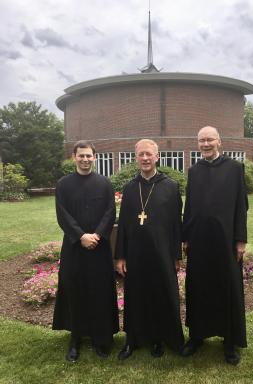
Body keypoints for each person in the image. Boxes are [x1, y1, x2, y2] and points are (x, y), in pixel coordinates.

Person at [182, 126, 248, 365]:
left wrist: (240, 239)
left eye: (210, 139)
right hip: (199, 240)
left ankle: (229, 342)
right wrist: (185, 237)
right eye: (201, 140)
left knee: (226, 287)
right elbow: (189, 207)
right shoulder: (194, 171)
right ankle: (197, 336)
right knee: (198, 287)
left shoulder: (234, 169)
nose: (206, 144)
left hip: (226, 241)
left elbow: (242, 206)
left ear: (219, 141)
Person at [115, 139, 184, 360]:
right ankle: (132, 340)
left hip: (162, 253)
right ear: (136, 158)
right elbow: (123, 224)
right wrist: (120, 256)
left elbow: (176, 225)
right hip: (135, 253)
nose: (145, 158)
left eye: (149, 154)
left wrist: (176, 255)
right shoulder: (129, 188)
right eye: (141, 155)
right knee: (135, 296)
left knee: (160, 294)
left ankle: (158, 338)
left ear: (157, 157)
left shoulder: (171, 187)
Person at [53, 140, 119, 362]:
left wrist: (97, 235)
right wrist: (81, 236)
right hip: (74, 248)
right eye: (81, 156)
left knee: (99, 291)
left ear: (95, 157)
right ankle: (76, 339)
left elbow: (110, 212)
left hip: (99, 249)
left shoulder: (104, 183)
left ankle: (101, 338)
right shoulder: (63, 184)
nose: (85, 159)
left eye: (89, 156)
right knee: (75, 290)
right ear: (74, 157)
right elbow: (62, 215)